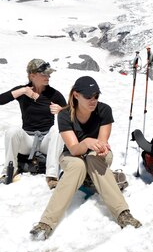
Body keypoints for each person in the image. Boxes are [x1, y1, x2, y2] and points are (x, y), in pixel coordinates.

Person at [29, 76, 141, 240]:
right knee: (78, 166)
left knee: (93, 160)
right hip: (72, 156)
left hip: (97, 156)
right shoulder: (65, 115)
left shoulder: (104, 110)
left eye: (96, 96)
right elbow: (74, 149)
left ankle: (123, 214)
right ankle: (46, 223)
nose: (93, 100)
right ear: (76, 95)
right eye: (88, 96)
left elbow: (103, 143)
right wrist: (87, 142)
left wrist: (101, 148)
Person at [0, 59, 66, 187]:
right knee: (12, 131)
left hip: (47, 141)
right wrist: (22, 91)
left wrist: (61, 110)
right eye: (44, 74)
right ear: (32, 75)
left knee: (57, 130)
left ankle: (52, 176)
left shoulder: (53, 93)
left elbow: (72, 111)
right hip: (27, 140)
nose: (48, 76)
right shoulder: (23, 91)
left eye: (49, 74)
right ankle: (10, 171)